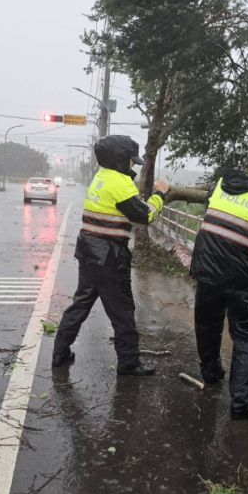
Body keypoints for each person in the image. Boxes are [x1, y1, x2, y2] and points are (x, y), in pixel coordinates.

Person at [52, 135, 169, 376]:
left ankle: (59, 353)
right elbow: (144, 216)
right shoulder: (120, 183)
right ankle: (129, 364)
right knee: (122, 310)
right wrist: (160, 195)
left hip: (88, 249)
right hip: (109, 255)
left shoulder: (101, 176)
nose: (133, 165)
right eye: (130, 160)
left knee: (81, 302)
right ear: (120, 160)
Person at [189, 154, 248, 419]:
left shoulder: (222, 182)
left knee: (207, 322)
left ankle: (210, 373)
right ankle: (243, 405)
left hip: (205, 263)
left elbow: (210, 208)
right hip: (239, 273)